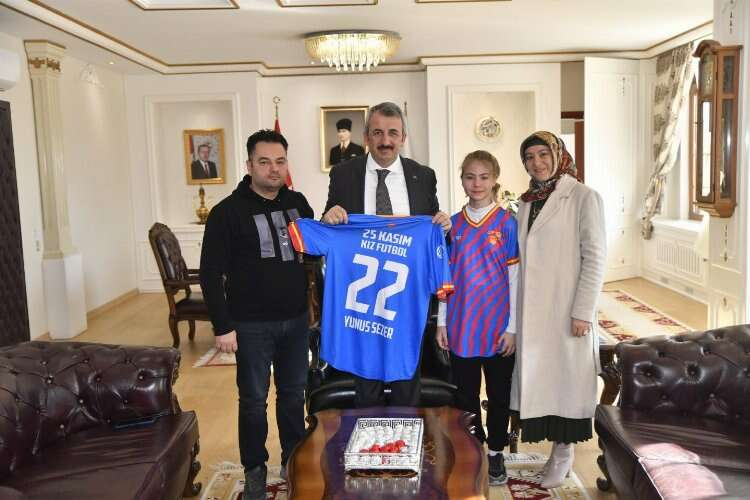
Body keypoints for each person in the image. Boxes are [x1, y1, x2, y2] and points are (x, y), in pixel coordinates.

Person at [199, 129, 314, 500]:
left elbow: (314, 253)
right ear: (249, 165)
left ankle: (292, 461)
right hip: (250, 325)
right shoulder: (226, 213)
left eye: (280, 161)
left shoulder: (298, 203)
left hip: (296, 321)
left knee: (293, 396)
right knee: (253, 401)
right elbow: (210, 274)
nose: (273, 169)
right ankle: (254, 470)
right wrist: (223, 326)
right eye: (264, 162)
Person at [322, 101, 452, 408]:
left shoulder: (423, 175)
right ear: (366, 136)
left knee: (407, 380)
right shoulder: (343, 174)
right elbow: (330, 223)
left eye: (393, 133)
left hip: (407, 295)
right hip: (362, 296)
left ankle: (405, 435)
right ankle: (369, 435)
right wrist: (329, 216)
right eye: (378, 132)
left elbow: (431, 232)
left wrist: (442, 226)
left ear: (403, 137)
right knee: (366, 384)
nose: (385, 141)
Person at [510, 131, 606, 489]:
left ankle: (564, 454)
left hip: (566, 308)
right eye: (529, 157)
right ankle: (554, 453)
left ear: (558, 154)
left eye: (543, 154)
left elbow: (595, 257)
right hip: (533, 310)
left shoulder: (583, 196)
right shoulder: (526, 202)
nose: (537, 163)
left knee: (565, 383)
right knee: (544, 383)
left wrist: (582, 310)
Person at [435, 150, 519, 487]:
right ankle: (473, 446)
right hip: (462, 326)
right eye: (470, 176)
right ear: (462, 180)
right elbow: (445, 277)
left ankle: (496, 451)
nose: (477, 183)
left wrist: (513, 328)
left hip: (498, 327)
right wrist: (442, 322)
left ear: (495, 179)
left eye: (484, 177)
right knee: (465, 395)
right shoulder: (452, 225)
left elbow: (515, 279)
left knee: (498, 394)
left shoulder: (507, 223)